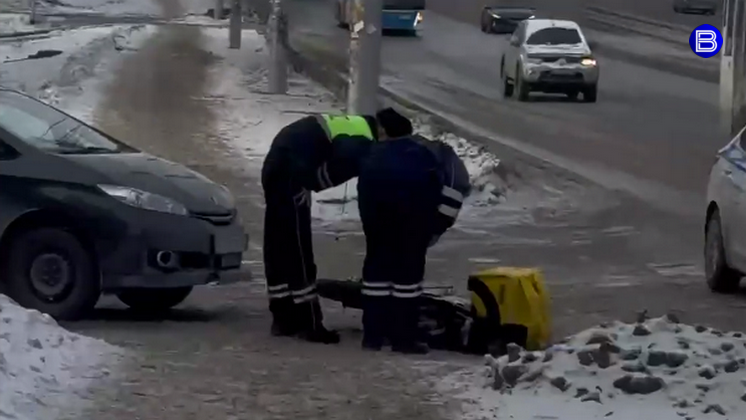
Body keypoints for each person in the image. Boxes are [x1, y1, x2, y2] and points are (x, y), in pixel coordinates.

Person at [261, 109, 406, 344]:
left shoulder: (356, 125)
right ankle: (309, 324)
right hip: (291, 168)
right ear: (383, 133)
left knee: (279, 242)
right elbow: (340, 167)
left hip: (280, 160)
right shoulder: (363, 142)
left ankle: (283, 317)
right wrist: (309, 183)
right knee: (298, 247)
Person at [357, 110, 470, 354]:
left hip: (378, 227)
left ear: (385, 131)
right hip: (412, 229)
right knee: (406, 284)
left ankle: (373, 336)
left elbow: (364, 196)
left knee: (375, 279)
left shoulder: (372, 155)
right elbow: (442, 188)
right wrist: (434, 226)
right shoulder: (424, 154)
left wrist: (371, 226)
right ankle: (403, 339)